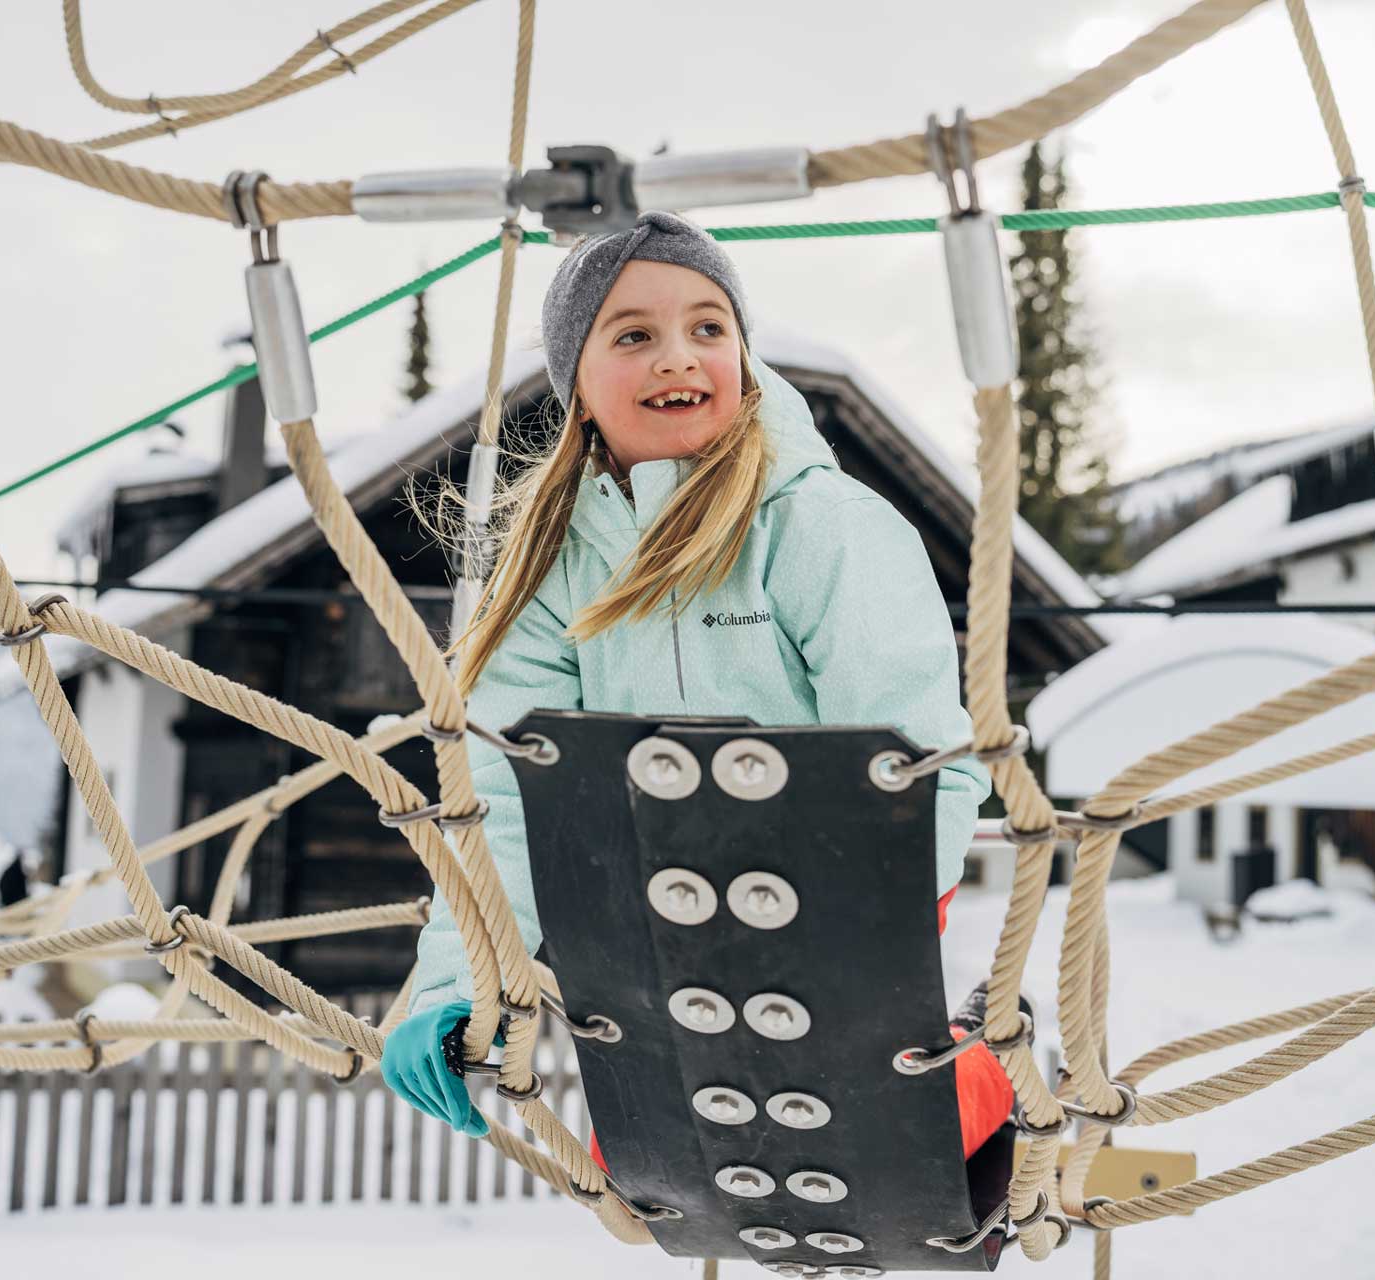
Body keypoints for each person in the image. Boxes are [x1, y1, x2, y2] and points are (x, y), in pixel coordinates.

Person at [381, 209, 1014, 1164]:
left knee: (900, 1145)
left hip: (849, 892)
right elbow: (506, 800)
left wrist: (845, 947)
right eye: (634, 334)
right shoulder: (554, 570)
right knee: (648, 1163)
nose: (679, 356)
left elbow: (921, 762)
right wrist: (458, 983)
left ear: (745, 358)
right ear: (579, 386)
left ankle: (987, 1069)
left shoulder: (821, 527)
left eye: (708, 327)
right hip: (660, 912)